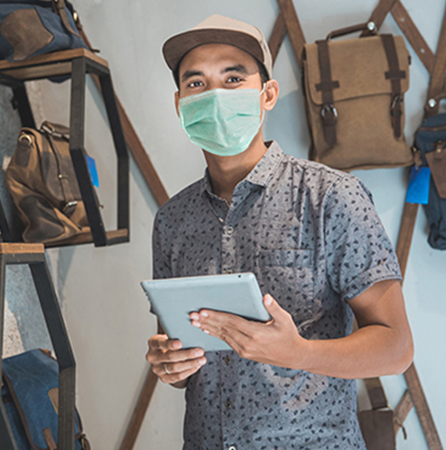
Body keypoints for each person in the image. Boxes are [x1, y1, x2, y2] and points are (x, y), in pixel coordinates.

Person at [145, 14, 414, 450]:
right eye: (197, 84)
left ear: (267, 94)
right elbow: (182, 350)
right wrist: (169, 363)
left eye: (233, 78)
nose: (214, 96)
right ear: (180, 104)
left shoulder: (331, 197)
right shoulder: (172, 221)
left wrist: (300, 353)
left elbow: (396, 346)